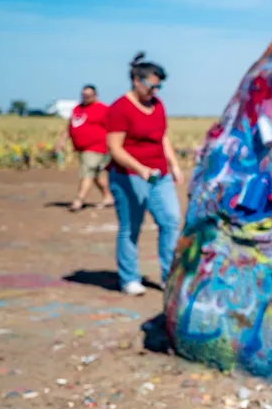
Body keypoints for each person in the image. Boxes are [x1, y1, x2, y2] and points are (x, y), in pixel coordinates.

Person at [105, 53, 183, 296]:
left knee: (170, 220)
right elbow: (114, 148)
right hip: (129, 176)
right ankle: (129, 278)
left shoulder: (157, 105)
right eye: (152, 86)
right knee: (131, 226)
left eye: (159, 86)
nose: (156, 91)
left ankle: (169, 275)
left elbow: (162, 136)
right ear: (136, 81)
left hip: (159, 175)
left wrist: (174, 164)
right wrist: (140, 169)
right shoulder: (120, 108)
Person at [54, 84, 114, 212]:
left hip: (96, 147)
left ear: (95, 96)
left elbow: (113, 129)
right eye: (83, 95)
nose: (85, 98)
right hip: (81, 148)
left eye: (88, 95)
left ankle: (79, 200)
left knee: (87, 171)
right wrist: (62, 140)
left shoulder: (103, 109)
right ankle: (108, 196)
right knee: (96, 175)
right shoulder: (77, 109)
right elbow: (70, 126)